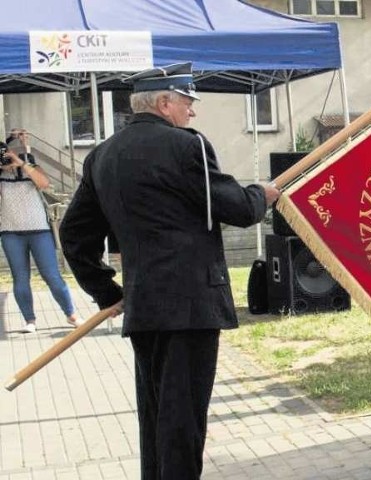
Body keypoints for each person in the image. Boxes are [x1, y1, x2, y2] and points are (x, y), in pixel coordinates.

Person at [59, 63, 280, 479]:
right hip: (191, 304)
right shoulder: (185, 146)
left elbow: (73, 235)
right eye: (187, 103)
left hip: (145, 305)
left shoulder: (102, 155)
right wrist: (261, 196)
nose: (192, 113)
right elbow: (230, 205)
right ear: (164, 102)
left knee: (157, 418)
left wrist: (108, 292)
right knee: (183, 423)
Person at [0, 128, 80, 333]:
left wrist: (22, 164)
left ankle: (70, 313)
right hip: (11, 232)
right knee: (20, 278)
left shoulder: (32, 168)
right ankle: (30, 320)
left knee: (52, 276)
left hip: (39, 231)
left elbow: (43, 184)